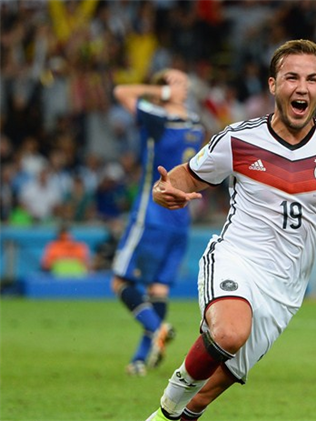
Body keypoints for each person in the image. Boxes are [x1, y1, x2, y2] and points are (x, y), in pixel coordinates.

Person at [145, 39, 316, 421]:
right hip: (237, 258)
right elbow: (186, 177)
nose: (302, 87)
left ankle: (165, 417)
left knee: (211, 390)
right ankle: (169, 402)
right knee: (230, 334)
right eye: (292, 78)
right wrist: (163, 190)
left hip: (285, 287)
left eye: (312, 79)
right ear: (272, 85)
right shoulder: (238, 139)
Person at [111, 68, 205, 377]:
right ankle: (139, 359)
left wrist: (162, 94)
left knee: (120, 282)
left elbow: (121, 92)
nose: (185, 86)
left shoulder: (158, 117)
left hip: (151, 212)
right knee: (158, 289)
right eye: (179, 80)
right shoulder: (196, 125)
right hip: (182, 217)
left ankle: (157, 327)